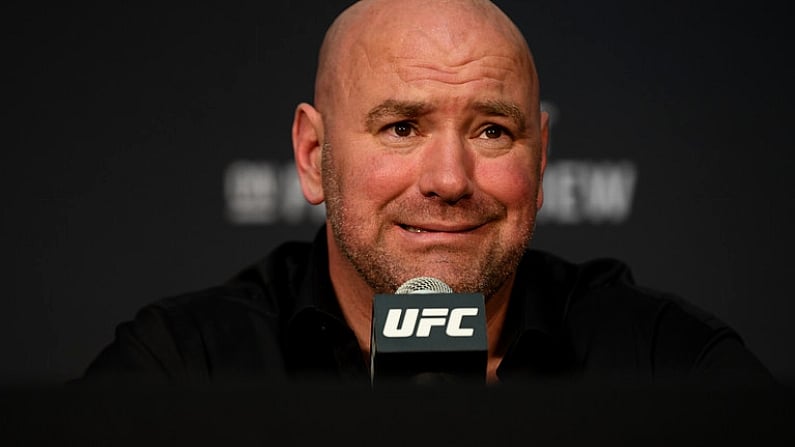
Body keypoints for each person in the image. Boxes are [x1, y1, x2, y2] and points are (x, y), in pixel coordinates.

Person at [80, 0, 775, 387]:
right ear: (313, 155)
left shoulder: (666, 365)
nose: (448, 179)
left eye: (493, 131)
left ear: (539, 165)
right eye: (402, 126)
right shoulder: (181, 369)